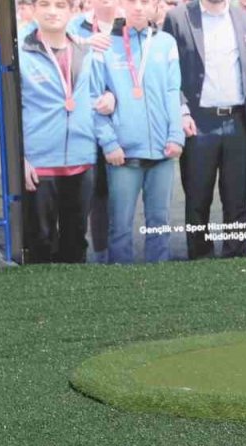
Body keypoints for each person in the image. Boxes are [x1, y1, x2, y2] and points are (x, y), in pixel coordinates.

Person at [161, 0, 246, 259]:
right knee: (197, 199)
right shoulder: (177, 18)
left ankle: (235, 257)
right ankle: (200, 259)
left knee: (236, 200)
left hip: (238, 121)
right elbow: (166, 70)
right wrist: (182, 110)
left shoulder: (242, 17)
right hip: (198, 123)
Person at [92, 0, 186, 263]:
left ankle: (159, 279)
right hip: (123, 155)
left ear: (155, 5)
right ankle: (121, 286)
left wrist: (176, 135)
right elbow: (94, 97)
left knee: (160, 224)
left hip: (162, 152)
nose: (137, 7)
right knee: (120, 227)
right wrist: (109, 143)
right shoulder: (106, 44)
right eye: (131, 1)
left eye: (144, 1)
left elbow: (172, 91)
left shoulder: (166, 42)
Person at [21, 0, 108, 263]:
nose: (52, 11)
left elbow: (97, 92)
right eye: (45, 4)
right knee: (40, 244)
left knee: (76, 244)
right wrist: (20, 158)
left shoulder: (85, 50)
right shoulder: (21, 54)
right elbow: (7, 113)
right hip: (39, 165)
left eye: (60, 5)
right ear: (33, 9)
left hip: (81, 164)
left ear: (72, 11)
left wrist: (109, 96)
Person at [67, 0, 119, 261]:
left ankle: (118, 254)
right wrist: (85, 42)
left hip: (123, 126)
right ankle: (98, 255)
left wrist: (114, 95)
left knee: (119, 197)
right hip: (86, 126)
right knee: (93, 195)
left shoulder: (130, 24)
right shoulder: (75, 27)